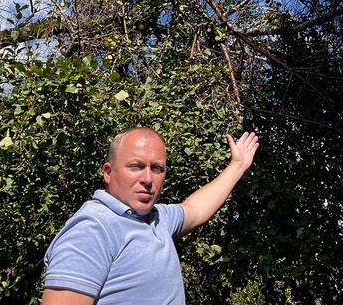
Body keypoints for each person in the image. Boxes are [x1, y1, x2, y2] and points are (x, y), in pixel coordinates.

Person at [41, 127, 259, 304]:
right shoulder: (92, 230)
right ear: (108, 172)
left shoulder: (157, 218)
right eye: (136, 166)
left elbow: (197, 209)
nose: (148, 178)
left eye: (157, 168)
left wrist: (237, 166)